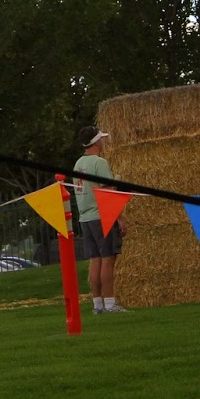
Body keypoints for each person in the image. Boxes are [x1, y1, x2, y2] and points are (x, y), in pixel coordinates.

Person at [72, 127, 127, 313]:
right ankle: (110, 304)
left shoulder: (78, 164)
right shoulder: (99, 163)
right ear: (96, 142)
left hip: (85, 218)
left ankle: (97, 304)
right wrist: (119, 217)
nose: (103, 142)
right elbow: (108, 193)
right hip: (102, 216)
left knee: (95, 260)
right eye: (101, 139)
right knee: (107, 260)